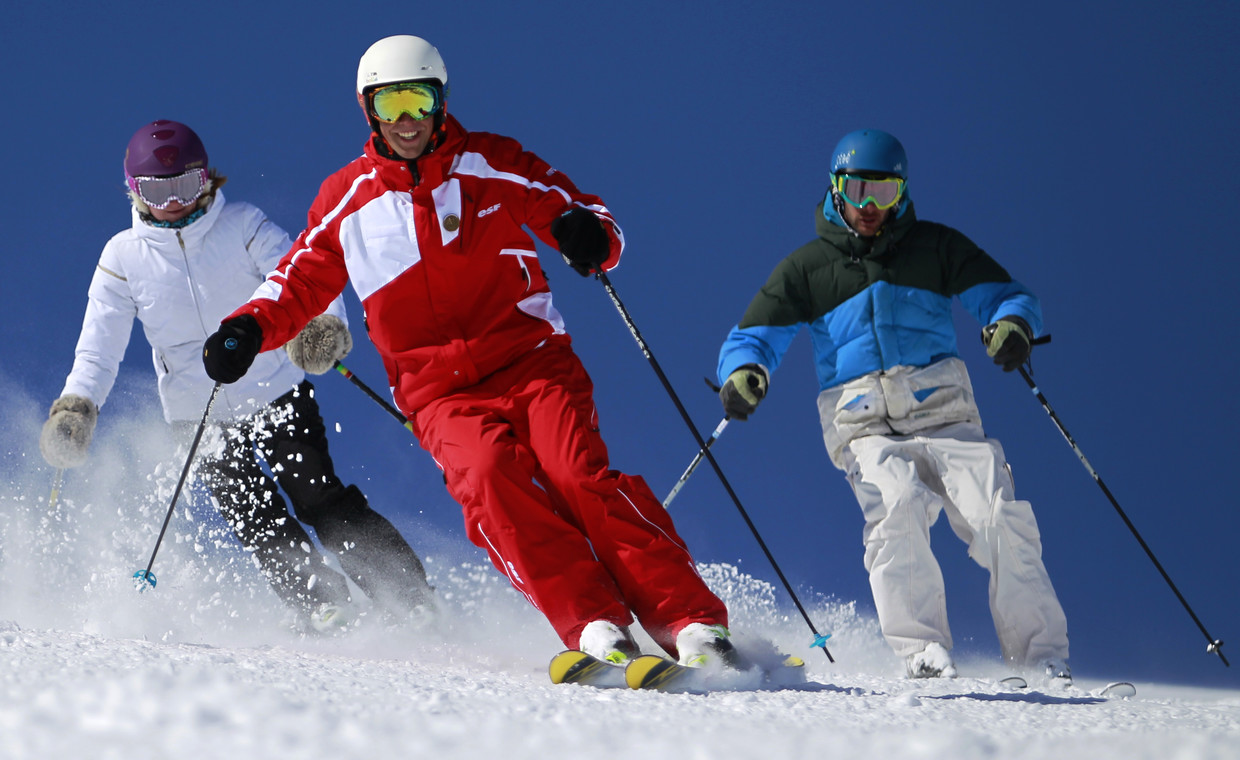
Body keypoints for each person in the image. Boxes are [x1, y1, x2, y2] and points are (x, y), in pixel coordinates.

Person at [201, 35, 738, 668]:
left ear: (440, 101)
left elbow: (577, 209)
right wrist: (246, 329)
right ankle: (590, 619)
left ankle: (689, 620)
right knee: (489, 479)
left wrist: (586, 235)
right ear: (369, 110)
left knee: (575, 475)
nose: (407, 120)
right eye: (391, 103)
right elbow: (296, 281)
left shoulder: (490, 162)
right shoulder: (347, 200)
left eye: (419, 100)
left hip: (532, 362)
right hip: (440, 395)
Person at [39, 119, 434, 633]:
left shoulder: (243, 225)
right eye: (157, 191)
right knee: (256, 519)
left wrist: (318, 326)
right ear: (132, 191)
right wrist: (77, 407)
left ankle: (408, 596)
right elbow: (99, 348)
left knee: (318, 496)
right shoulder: (123, 258)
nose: (173, 203)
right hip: (196, 418)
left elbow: (304, 273)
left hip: (275, 392)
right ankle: (322, 604)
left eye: (183, 185)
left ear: (205, 180)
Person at [716, 129, 1071, 681]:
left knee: (997, 514)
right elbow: (752, 337)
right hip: (865, 427)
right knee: (898, 503)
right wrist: (744, 374)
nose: (868, 207)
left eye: (883, 193)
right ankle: (923, 653)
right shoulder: (808, 269)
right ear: (835, 189)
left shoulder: (935, 247)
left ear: (901, 193)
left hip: (947, 417)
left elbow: (1007, 295)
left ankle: (1042, 658)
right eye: (857, 190)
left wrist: (1013, 325)